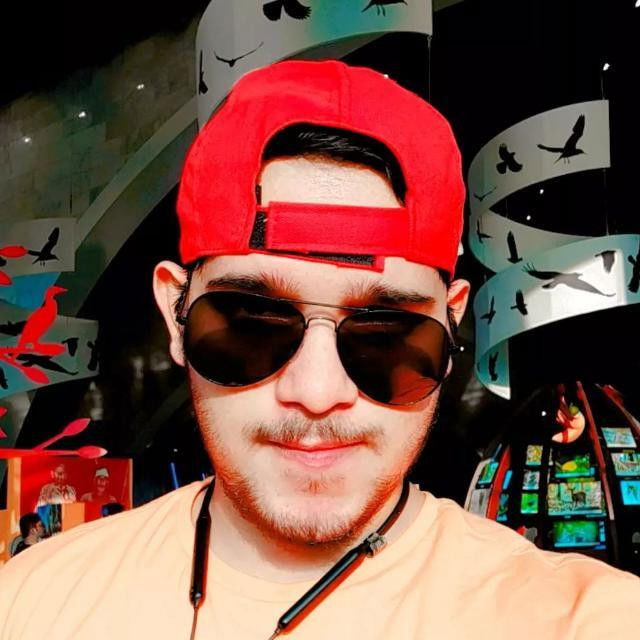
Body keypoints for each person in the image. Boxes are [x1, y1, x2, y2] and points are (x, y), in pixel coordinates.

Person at [1, 60, 639, 639]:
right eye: (252, 324)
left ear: (450, 325)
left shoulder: (582, 620)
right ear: (175, 313)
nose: (316, 392)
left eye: (385, 333)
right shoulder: (29, 605)